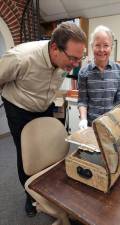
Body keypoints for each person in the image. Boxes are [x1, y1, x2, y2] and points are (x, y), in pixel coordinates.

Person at [0, 22, 86, 217]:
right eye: (72, 58)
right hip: (19, 108)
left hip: (44, 105)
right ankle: (30, 194)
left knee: (49, 148)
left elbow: (66, 68)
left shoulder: (65, 59)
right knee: (28, 155)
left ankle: (51, 189)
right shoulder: (20, 58)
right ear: (54, 47)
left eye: (78, 59)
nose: (75, 64)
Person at [78, 25, 120, 129]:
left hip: (112, 125)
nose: (101, 50)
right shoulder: (83, 72)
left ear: (111, 47)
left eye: (106, 45)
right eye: (97, 45)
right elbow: (82, 100)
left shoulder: (119, 70)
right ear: (92, 46)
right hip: (91, 125)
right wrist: (83, 119)